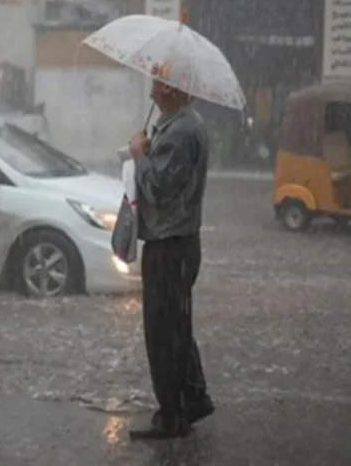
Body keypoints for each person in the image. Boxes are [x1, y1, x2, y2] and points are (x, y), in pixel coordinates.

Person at [127, 79, 215, 440]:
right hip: (177, 243)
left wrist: (139, 155)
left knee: (163, 332)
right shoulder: (181, 126)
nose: (150, 92)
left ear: (169, 90)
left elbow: (159, 187)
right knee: (176, 327)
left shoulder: (181, 131)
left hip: (169, 245)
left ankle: (173, 415)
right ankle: (192, 399)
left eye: (156, 84)